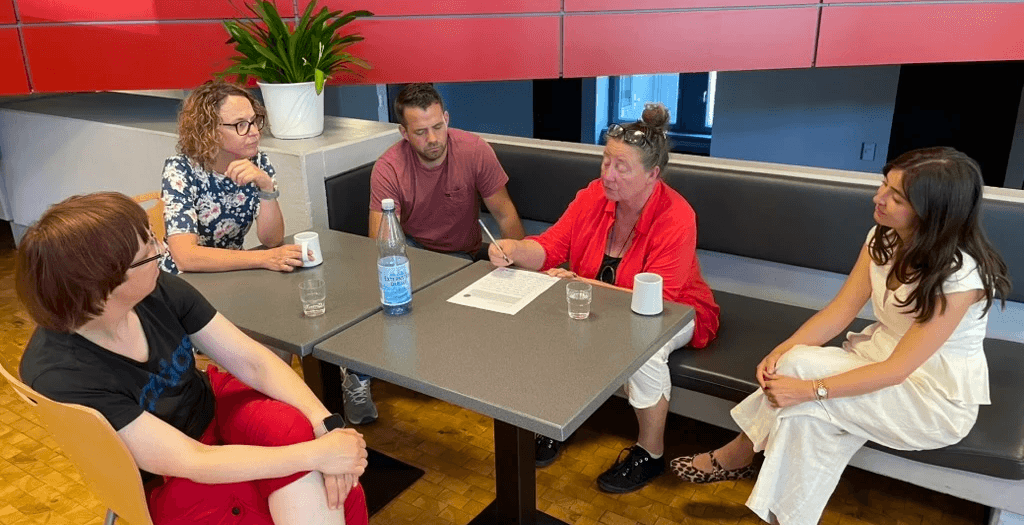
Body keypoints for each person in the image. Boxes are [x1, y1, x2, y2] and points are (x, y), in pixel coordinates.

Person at [670, 147, 1011, 525]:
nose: (878, 198)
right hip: (877, 359)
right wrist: (780, 352)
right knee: (801, 387)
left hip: (930, 396)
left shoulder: (959, 276)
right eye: (884, 185)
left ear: (932, 212)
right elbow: (840, 311)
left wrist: (809, 389)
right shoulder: (885, 236)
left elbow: (899, 369)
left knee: (805, 400)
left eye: (896, 197)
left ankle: (739, 454)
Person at [17, 192, 369, 525]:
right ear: (106, 283)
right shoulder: (61, 373)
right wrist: (315, 455)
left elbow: (252, 361)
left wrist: (325, 426)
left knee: (294, 429)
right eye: (151, 249)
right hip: (167, 475)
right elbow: (192, 461)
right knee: (281, 489)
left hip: (212, 409)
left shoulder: (157, 289)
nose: (162, 250)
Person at [488, 103, 721, 493]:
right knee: (547, 319)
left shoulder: (677, 215)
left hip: (677, 310)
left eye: (621, 167)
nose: (607, 175)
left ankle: (651, 453)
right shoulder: (592, 196)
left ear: (652, 175)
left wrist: (579, 282)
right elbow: (549, 247)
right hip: (601, 299)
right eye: (605, 161)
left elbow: (657, 298)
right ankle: (555, 420)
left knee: (644, 348)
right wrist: (513, 248)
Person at [351, 83, 528, 425]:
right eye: (420, 132)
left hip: (459, 256)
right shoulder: (389, 167)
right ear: (403, 132)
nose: (432, 138)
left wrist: (520, 267)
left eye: (437, 126)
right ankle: (356, 375)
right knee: (380, 298)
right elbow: (380, 243)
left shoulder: (474, 150)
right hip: (411, 252)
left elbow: (506, 214)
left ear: (446, 118)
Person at [161, 80, 306, 274]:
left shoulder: (258, 161)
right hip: (186, 279)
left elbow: (272, 240)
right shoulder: (180, 170)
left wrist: (266, 187)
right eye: (241, 125)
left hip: (234, 271)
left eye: (254, 121)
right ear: (209, 131)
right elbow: (185, 257)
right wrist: (265, 258)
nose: (254, 132)